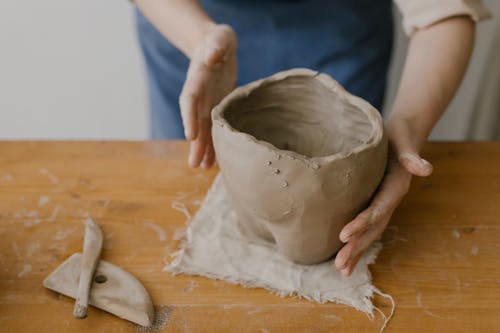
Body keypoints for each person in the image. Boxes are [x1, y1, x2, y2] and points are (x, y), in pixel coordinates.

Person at [133, 0, 490, 276]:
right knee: (190, 183)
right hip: (197, 41)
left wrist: (407, 131)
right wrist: (201, 40)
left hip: (340, 37)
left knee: (329, 215)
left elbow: (444, 12)